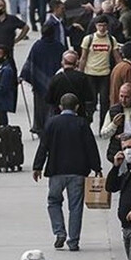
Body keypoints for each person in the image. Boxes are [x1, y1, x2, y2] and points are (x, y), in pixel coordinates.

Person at [33, 93, 102, 251]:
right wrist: (97, 167)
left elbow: (43, 146)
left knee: (53, 201)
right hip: (78, 171)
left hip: (56, 170)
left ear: (60, 107)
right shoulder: (82, 123)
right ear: (77, 107)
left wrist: (38, 166)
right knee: (75, 206)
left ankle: (59, 232)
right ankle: (73, 241)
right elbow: (90, 147)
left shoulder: (52, 123)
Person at [22, 23, 68, 134]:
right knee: (55, 105)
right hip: (56, 82)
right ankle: (53, 126)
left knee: (40, 106)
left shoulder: (37, 46)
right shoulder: (59, 46)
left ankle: (40, 127)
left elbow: (30, 63)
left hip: (39, 85)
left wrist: (22, 76)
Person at [80, 15, 122, 124]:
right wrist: (80, 73)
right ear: (95, 26)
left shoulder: (111, 40)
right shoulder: (88, 39)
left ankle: (103, 125)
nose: (102, 28)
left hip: (105, 74)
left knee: (104, 102)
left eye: (104, 25)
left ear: (107, 26)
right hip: (90, 73)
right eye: (99, 25)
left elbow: (117, 57)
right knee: (91, 102)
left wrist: (121, 69)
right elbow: (83, 57)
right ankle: (87, 122)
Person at [100, 83, 131, 162]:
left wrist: (130, 136)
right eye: (121, 96)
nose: (123, 100)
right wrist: (114, 125)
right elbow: (103, 134)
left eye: (127, 97)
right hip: (117, 151)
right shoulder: (112, 111)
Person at [46, 50, 95, 120]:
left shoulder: (56, 78)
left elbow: (49, 99)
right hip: (79, 116)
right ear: (76, 63)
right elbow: (89, 98)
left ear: (62, 62)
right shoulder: (83, 78)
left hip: (58, 116)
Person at [0, 45, 18, 126]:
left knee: (1, 123)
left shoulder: (6, 70)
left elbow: (3, 88)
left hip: (1, 102)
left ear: (5, 56)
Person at [108, 41, 131, 106]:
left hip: (115, 105)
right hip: (123, 107)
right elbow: (129, 91)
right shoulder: (128, 69)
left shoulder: (118, 66)